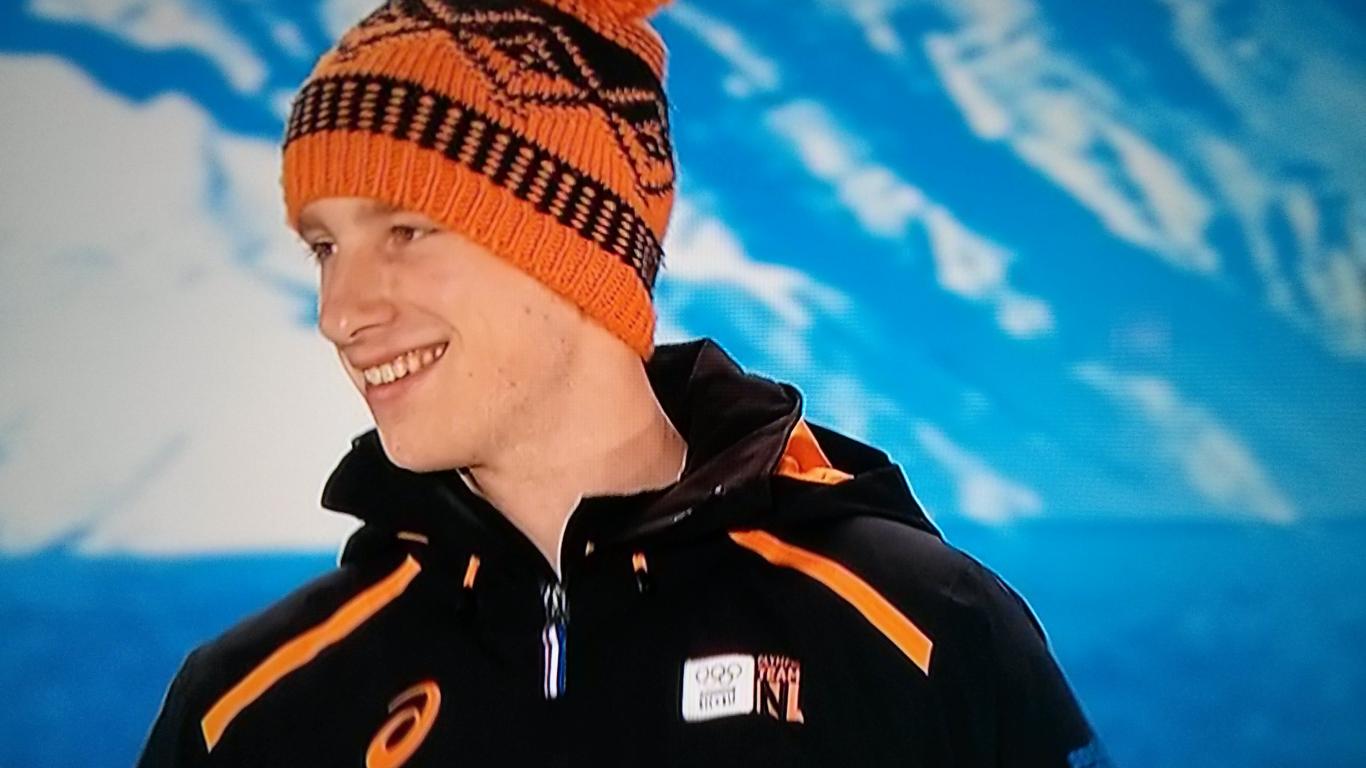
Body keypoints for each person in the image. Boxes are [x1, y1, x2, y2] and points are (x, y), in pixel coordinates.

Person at [136, 0, 1111, 765]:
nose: (341, 312)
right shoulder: (249, 711)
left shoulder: (919, 633)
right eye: (324, 248)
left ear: (570, 245)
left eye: (406, 231)